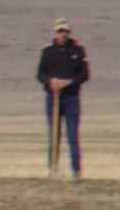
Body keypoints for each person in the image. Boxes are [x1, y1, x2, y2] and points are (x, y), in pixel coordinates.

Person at [36, 17, 90, 178]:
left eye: (65, 31)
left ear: (69, 32)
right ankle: (52, 169)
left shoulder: (78, 50)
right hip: (53, 98)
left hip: (71, 98)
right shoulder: (48, 51)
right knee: (54, 135)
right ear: (55, 32)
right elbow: (40, 74)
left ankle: (76, 171)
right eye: (60, 31)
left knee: (72, 135)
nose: (63, 34)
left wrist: (68, 82)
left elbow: (84, 74)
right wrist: (50, 82)